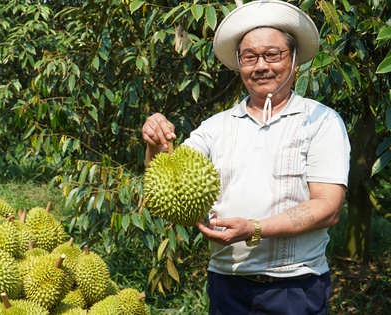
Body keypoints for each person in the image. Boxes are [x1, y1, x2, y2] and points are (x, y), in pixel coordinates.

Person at [141, 1, 351, 314]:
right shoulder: (216, 127)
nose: (261, 65)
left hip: (294, 286)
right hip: (227, 285)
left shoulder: (320, 121)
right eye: (250, 57)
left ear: (294, 62)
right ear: (240, 65)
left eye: (273, 54)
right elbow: (170, 176)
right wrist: (155, 140)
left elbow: (328, 208)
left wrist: (254, 228)